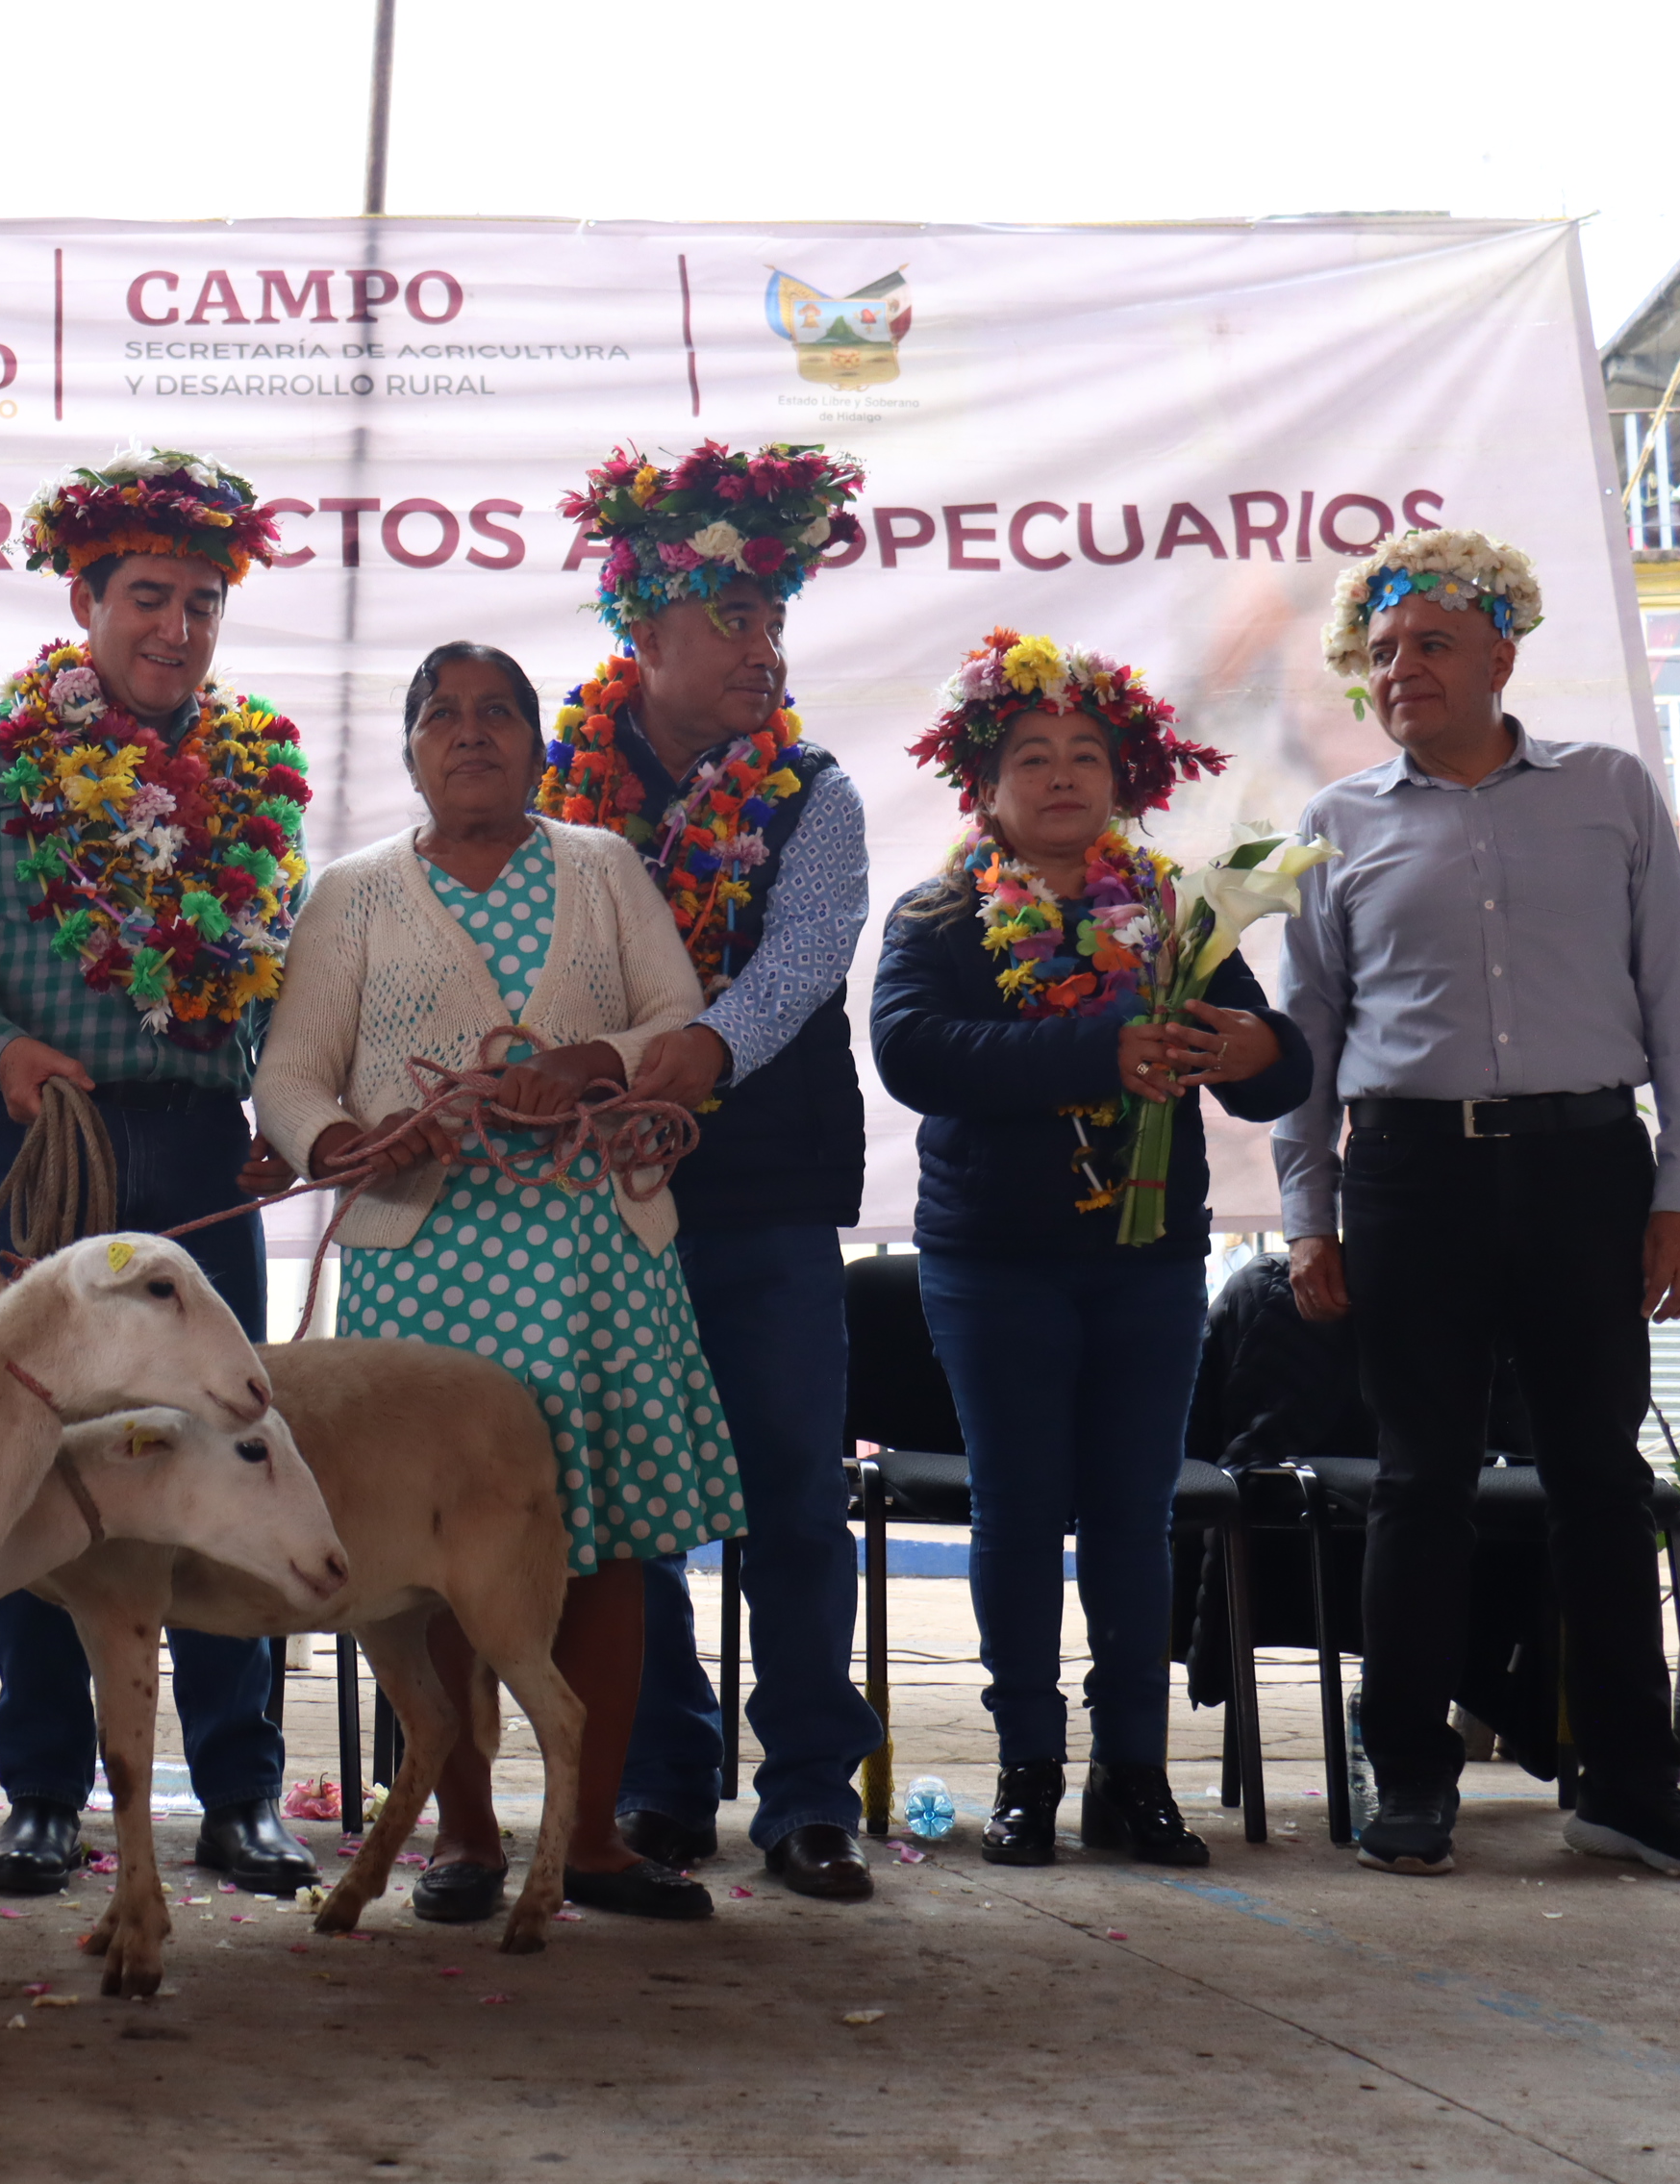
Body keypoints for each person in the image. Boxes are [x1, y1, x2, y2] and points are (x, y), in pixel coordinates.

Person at [0, 447, 317, 1897]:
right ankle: (45, 1794)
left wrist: (276, 1097)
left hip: (194, 1146)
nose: (175, 629)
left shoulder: (256, 764)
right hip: (32, 1141)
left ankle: (242, 1795)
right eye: (146, 597)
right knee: (26, 1464)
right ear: (83, 596)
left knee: (224, 1442)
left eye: (201, 602)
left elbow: (274, 967)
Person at [257, 640, 742, 1922]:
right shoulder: (352, 895)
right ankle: (463, 1839)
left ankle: (588, 1841)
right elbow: (291, 1077)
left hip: (594, 1262)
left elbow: (680, 1020)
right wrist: (345, 1144)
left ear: (538, 743)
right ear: (412, 751)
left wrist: (588, 1060)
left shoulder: (604, 870)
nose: (469, 736)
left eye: (497, 715)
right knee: (431, 1552)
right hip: (427, 1277)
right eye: (441, 718)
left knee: (604, 1543)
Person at [1278, 528, 1680, 1879]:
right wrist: (1312, 1214)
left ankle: (1631, 1783)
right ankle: (1410, 1774)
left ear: (1500, 657)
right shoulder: (1338, 823)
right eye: (1380, 656)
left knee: (1599, 1476)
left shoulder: (1610, 794)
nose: (1400, 672)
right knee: (1422, 1478)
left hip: (1587, 1166)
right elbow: (1305, 1039)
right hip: (1412, 1176)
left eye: (1429, 646)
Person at [872, 630, 1309, 1865]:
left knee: (1131, 1515)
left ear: (1121, 780)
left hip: (1148, 1264)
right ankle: (1026, 1770)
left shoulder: (1173, 905)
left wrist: (1248, 1049)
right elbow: (912, 1054)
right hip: (994, 1261)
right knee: (1016, 1512)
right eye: (1032, 757)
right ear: (986, 787)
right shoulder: (941, 912)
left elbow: (1279, 1070)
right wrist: (1091, 1053)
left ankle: (1133, 1774)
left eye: (1084, 755)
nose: (1061, 775)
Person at [534, 437, 888, 1899]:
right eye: (734, 621)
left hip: (765, 1199)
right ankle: (667, 1776)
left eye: (775, 623)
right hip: (608, 1200)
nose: (765, 648)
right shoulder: (557, 797)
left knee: (795, 1496)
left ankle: (810, 1791)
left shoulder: (815, 792)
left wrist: (697, 1052)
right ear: (649, 634)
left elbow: (804, 960)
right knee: (635, 1504)